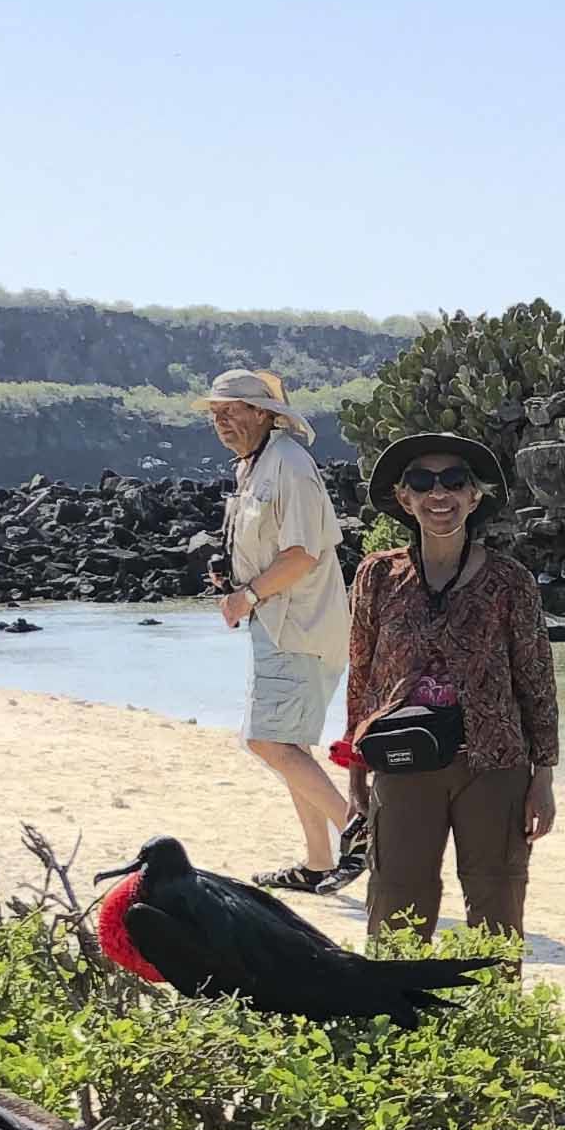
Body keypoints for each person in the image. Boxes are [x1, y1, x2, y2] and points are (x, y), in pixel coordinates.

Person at [343, 431, 557, 941]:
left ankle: (492, 999)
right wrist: (355, 771)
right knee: (396, 904)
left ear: (474, 496)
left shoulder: (511, 580)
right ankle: (397, 997)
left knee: (497, 903)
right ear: (404, 498)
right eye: (422, 482)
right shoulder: (377, 575)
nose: (439, 494)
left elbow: (536, 679)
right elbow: (361, 674)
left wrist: (543, 777)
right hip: (401, 757)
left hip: (495, 763)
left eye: (454, 481)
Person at [199, 369, 365, 893]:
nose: (222, 421)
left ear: (264, 414)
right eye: (216, 413)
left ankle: (360, 835)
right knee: (289, 742)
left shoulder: (289, 464)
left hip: (299, 626)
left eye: (232, 411)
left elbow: (302, 554)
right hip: (280, 624)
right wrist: (237, 580)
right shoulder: (254, 465)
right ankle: (318, 862)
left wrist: (246, 596)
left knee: (267, 740)